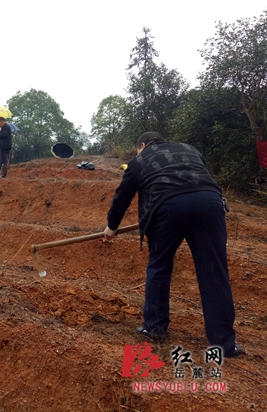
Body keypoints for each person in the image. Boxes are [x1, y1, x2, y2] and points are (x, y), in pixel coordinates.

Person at [103, 132, 243, 358]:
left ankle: (155, 327)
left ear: (142, 145)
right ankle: (225, 344)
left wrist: (112, 225)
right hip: (209, 203)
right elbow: (199, 176)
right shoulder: (189, 149)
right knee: (214, 272)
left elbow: (123, 195)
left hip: (168, 208)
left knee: (159, 266)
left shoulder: (139, 160)